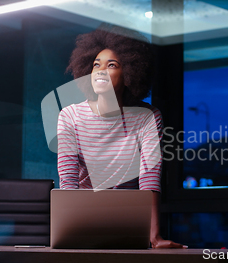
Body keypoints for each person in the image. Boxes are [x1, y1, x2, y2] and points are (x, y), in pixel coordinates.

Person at [57, 25, 186, 249]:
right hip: (82, 222)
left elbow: (149, 178)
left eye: (112, 65)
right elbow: (68, 183)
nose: (101, 71)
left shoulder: (147, 117)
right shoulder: (70, 116)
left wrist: (154, 237)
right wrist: (68, 232)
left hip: (129, 225)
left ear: (130, 73)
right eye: (96, 64)